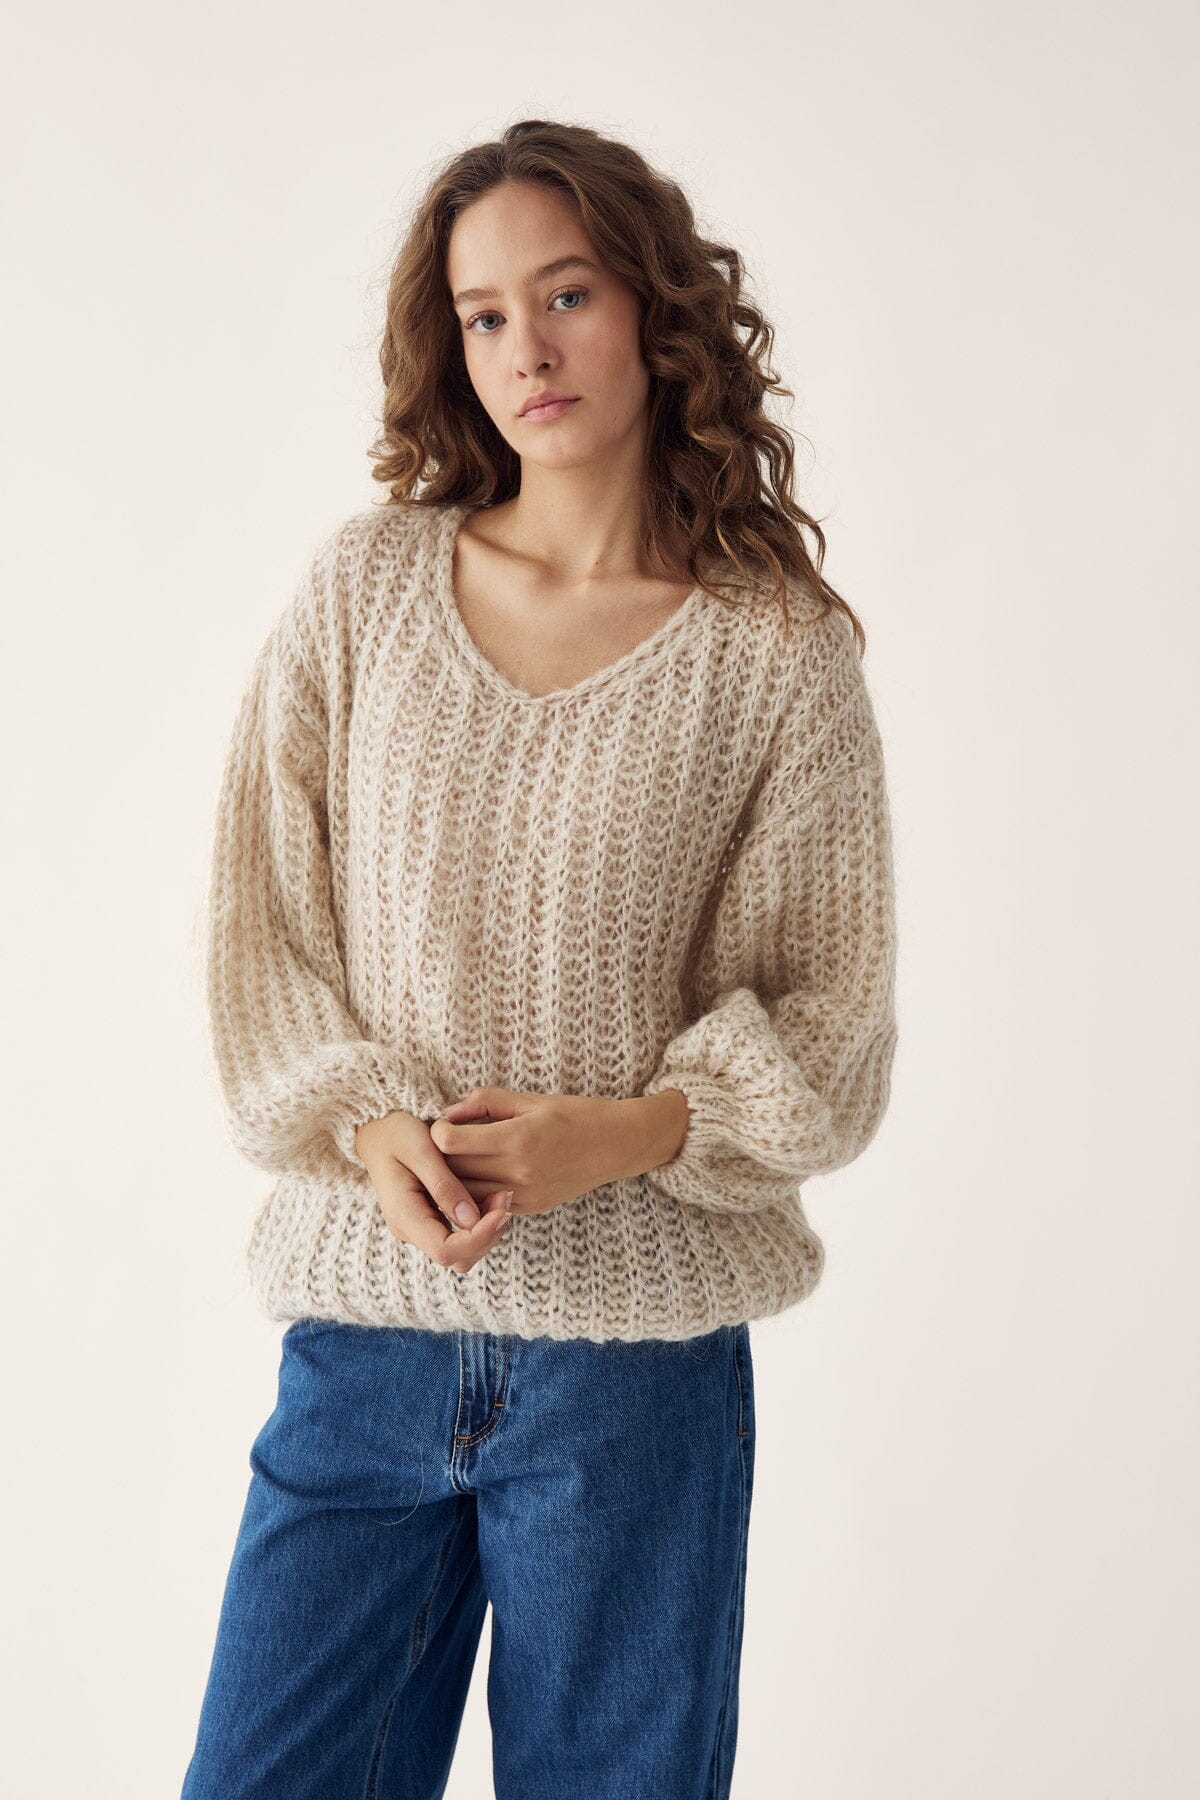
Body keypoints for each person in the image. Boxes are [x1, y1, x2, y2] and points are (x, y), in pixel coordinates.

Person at [181, 118, 899, 1800]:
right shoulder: (366, 590)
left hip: (634, 1384)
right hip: (366, 1341)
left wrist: (626, 1134)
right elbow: (265, 923)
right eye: (485, 313)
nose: (527, 350)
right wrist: (370, 1124)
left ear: (655, 309)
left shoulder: (775, 652)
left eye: (566, 294)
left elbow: (831, 1019)